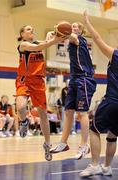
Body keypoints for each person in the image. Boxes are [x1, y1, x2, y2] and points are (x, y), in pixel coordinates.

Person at [15, 25, 67, 161]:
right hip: (24, 80)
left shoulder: (39, 43)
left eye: (32, 29)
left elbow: (44, 43)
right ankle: (24, 122)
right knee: (20, 107)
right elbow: (40, 46)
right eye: (27, 29)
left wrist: (55, 34)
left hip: (38, 82)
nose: (31, 30)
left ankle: (47, 144)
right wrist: (55, 39)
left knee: (43, 114)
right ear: (22, 34)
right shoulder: (23, 45)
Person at [79, 10, 118, 177]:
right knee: (113, 134)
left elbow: (97, 39)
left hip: (112, 100)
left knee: (94, 129)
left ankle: (95, 164)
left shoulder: (116, 55)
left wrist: (87, 22)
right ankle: (107, 167)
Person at [50, 22, 96, 160]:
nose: (73, 27)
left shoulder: (79, 39)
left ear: (81, 31)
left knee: (82, 113)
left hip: (85, 79)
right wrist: (52, 35)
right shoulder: (70, 41)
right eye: (72, 26)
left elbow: (71, 36)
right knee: (68, 111)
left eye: (76, 27)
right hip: (74, 79)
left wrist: (58, 30)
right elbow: (56, 39)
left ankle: (84, 145)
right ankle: (63, 143)